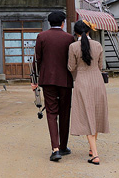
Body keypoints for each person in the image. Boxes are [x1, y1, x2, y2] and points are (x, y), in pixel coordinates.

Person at [33, 10, 75, 162]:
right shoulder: (69, 38)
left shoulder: (41, 36)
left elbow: (37, 59)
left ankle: (55, 148)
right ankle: (63, 146)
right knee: (65, 112)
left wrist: (34, 79)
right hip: (65, 80)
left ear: (49, 23)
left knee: (51, 112)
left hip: (47, 80)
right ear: (63, 22)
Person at [68, 19, 110, 166]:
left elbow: (71, 67)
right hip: (97, 81)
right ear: (89, 31)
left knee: (86, 116)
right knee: (96, 115)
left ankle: (95, 155)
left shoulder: (73, 46)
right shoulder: (98, 45)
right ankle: (92, 149)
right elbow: (100, 65)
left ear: (76, 32)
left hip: (82, 82)